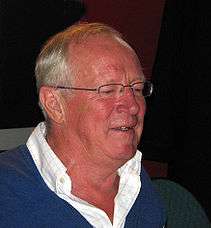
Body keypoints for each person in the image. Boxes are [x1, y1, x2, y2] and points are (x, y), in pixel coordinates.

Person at [0, 22, 166, 227]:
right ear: (55, 104)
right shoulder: (7, 195)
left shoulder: (137, 186)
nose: (132, 105)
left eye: (138, 89)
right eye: (108, 90)